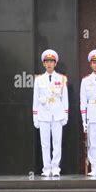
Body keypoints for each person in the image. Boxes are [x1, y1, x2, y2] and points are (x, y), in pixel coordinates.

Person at [32, 49, 68, 177]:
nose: (49, 64)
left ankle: (56, 168)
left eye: (51, 61)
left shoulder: (62, 79)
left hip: (57, 114)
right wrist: (35, 117)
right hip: (43, 114)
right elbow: (35, 99)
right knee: (45, 143)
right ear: (43, 64)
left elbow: (65, 98)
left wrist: (65, 114)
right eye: (46, 61)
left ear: (55, 63)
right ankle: (46, 168)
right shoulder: (39, 80)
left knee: (57, 142)